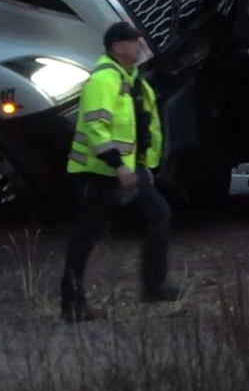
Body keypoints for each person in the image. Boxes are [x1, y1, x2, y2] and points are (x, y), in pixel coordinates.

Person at [59, 21, 182, 322]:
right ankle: (71, 304)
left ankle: (155, 286)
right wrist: (118, 165)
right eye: (133, 40)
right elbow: (94, 127)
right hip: (96, 171)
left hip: (127, 169)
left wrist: (144, 167)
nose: (140, 44)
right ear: (117, 47)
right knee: (86, 235)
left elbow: (147, 128)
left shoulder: (136, 82)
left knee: (159, 214)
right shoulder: (104, 80)